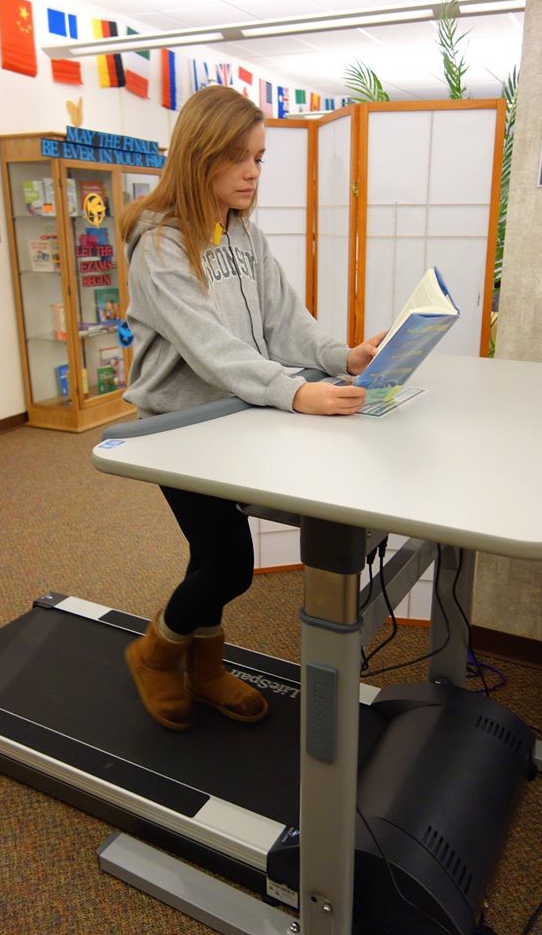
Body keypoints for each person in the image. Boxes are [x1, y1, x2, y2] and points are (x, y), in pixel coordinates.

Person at [119, 85, 383, 731]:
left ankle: (205, 669)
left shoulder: (244, 235)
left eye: (260, 159)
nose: (252, 173)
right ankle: (156, 652)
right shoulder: (160, 247)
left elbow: (285, 322)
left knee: (206, 558)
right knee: (232, 564)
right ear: (199, 155)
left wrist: (338, 356)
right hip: (178, 430)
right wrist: (296, 392)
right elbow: (215, 351)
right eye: (238, 158)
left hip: (234, 421)